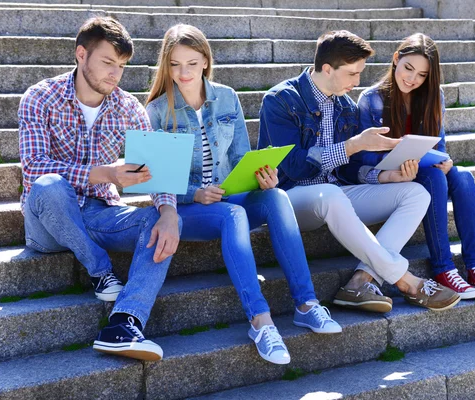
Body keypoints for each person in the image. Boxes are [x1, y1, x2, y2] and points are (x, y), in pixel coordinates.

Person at [146, 24, 342, 365]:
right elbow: (157, 182)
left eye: (192, 63)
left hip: (229, 196)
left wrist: (261, 178)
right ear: (166, 65)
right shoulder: (158, 111)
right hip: (189, 209)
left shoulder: (226, 97)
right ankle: (260, 321)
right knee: (232, 214)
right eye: (175, 64)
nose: (183, 72)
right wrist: (196, 193)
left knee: (277, 198)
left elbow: (239, 159)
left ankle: (307, 304)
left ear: (206, 61)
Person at [258, 30, 460, 312]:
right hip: (292, 198)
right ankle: (405, 280)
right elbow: (294, 166)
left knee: (415, 194)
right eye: (352, 74)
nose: (358, 82)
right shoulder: (280, 100)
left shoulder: (345, 106)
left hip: (338, 194)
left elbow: (350, 171)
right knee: (330, 194)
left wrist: (385, 177)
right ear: (327, 69)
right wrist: (352, 145)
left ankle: (360, 281)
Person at [18, 17, 180, 361]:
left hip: (98, 213)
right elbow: (34, 169)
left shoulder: (128, 107)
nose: (115, 74)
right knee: (49, 186)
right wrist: (105, 173)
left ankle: (124, 322)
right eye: (107, 62)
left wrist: (168, 212)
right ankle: (101, 272)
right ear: (81, 54)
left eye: (121, 66)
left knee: (158, 221)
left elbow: (158, 169)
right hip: (47, 222)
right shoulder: (40, 97)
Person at [356, 32, 475, 299]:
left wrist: (445, 162)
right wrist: (392, 173)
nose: (412, 79)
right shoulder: (371, 100)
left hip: (423, 172)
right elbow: (363, 166)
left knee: (463, 177)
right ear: (395, 60)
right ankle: (444, 269)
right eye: (408, 68)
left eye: (422, 75)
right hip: (391, 180)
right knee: (434, 179)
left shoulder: (434, 96)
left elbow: (438, 146)